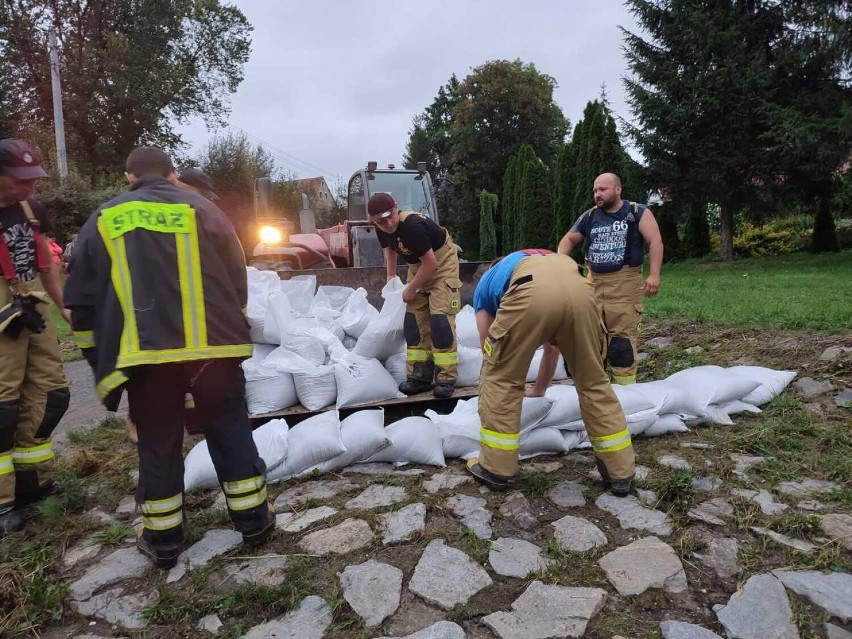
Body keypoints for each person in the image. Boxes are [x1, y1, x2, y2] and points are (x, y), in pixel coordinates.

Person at [64, 146, 273, 568]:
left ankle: (162, 541)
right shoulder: (204, 208)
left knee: (158, 439)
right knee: (230, 428)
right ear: (174, 174)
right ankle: (254, 522)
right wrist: (238, 324)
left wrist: (96, 355)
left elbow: (82, 299)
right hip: (216, 349)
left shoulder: (105, 218)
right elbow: (237, 275)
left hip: (149, 357)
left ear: (128, 177)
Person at [465, 249, 635, 496]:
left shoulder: (486, 285)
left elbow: (489, 352)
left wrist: (508, 364)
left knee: (499, 379)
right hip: (580, 287)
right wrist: (539, 389)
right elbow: (552, 348)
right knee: (594, 381)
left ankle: (496, 469)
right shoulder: (539, 258)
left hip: (531, 291)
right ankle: (621, 472)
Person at [0, 139, 71, 534]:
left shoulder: (32, 211)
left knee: (51, 394)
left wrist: (62, 305)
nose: (29, 187)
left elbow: (44, 262)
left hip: (32, 299)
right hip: (2, 306)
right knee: (2, 407)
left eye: (32, 179)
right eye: (20, 180)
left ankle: (33, 480)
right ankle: (2, 499)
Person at [557, 173, 663, 385]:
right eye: (595, 190)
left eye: (603, 189)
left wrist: (654, 275)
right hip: (593, 284)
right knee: (590, 340)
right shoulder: (590, 216)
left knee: (621, 344)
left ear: (617, 189)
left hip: (624, 285)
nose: (598, 194)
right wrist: (561, 266)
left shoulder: (637, 212)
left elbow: (655, 242)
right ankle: (596, 390)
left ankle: (625, 392)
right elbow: (569, 239)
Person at [368, 192, 461, 399]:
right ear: (374, 221)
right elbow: (390, 251)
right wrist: (391, 278)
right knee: (414, 323)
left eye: (390, 216)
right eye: (381, 221)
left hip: (442, 264)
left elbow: (431, 264)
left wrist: (411, 288)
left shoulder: (411, 226)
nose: (388, 223)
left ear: (396, 207)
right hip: (418, 266)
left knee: (440, 321)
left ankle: (446, 377)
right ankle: (420, 377)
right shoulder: (381, 227)